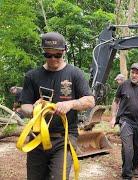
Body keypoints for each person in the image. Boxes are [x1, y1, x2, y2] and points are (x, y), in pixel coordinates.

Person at [20, 32, 95, 180]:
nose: (53, 59)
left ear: (64, 51)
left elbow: (90, 101)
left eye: (57, 55)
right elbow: (24, 106)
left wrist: (71, 103)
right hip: (37, 138)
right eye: (48, 55)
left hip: (64, 139)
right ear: (43, 52)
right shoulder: (32, 76)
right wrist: (35, 109)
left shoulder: (75, 73)